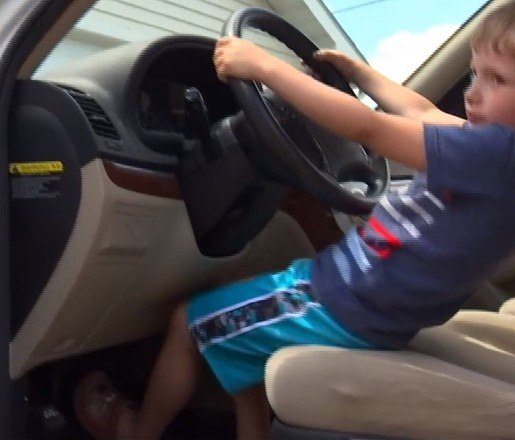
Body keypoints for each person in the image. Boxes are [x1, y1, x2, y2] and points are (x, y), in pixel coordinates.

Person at [74, 2, 515, 439]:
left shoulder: (494, 151)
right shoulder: (492, 153)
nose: (472, 94)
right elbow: (420, 112)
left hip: (340, 301)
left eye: (496, 79)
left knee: (188, 322)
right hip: (370, 304)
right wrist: (359, 74)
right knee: (239, 330)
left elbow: (368, 128)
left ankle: (137, 431)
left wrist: (265, 68)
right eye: (474, 74)